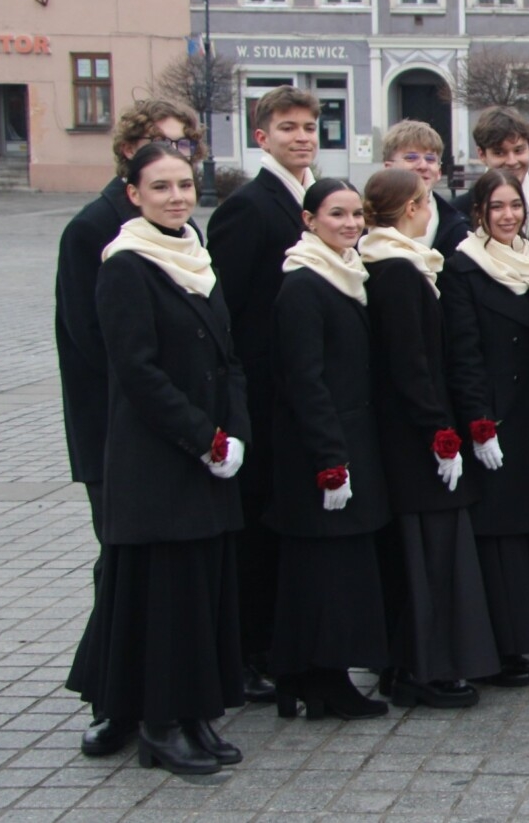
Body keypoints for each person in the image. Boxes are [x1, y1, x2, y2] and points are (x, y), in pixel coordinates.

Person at [67, 143, 247, 775]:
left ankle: (197, 714)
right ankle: (160, 725)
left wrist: (236, 433)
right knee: (166, 598)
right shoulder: (125, 263)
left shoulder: (195, 255)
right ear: (134, 194)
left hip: (208, 456)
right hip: (157, 460)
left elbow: (227, 356)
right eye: (161, 187)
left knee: (203, 590)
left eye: (184, 185)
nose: (176, 196)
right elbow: (137, 372)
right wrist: (203, 437)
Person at [57, 98, 202, 758]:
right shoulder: (96, 232)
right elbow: (97, 342)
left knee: (160, 573)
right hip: (118, 431)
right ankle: (116, 702)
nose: (173, 172)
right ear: (130, 161)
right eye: (157, 148)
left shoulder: (182, 230)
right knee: (121, 569)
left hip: (175, 426)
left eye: (182, 152)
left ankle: (153, 698)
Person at [359, 168, 497, 709]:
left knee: (428, 550)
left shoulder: (403, 262)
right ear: (414, 207)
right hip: (416, 438)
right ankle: (424, 667)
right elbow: (410, 362)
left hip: (416, 429)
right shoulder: (395, 268)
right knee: (427, 555)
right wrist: (439, 431)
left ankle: (413, 664)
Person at [205, 84, 322, 705]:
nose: (301, 137)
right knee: (255, 531)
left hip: (296, 395)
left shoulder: (310, 198)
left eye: (308, 127)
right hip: (263, 396)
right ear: (262, 137)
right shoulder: (249, 207)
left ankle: (277, 643)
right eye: (288, 128)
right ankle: (248, 654)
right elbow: (232, 311)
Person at [266, 178, 393, 720]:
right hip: (322, 450)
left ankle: (309, 677)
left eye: (355, 214)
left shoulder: (345, 274)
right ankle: (322, 679)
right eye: (336, 214)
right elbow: (305, 379)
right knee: (323, 571)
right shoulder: (304, 283)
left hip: (348, 438)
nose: (348, 224)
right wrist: (330, 460)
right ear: (308, 219)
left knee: (335, 568)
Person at [442, 169, 529, 687]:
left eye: (514, 205)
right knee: (497, 533)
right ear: (479, 214)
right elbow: (463, 354)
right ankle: (498, 644)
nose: (508, 215)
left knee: (527, 531)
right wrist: (478, 424)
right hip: (496, 416)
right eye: (497, 207)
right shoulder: (465, 268)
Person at [454, 106, 529, 270]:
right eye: (499, 152)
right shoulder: (458, 213)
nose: (511, 161)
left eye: (518, 150)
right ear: (481, 154)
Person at [381, 120, 468, 255]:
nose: (423, 166)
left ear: (439, 172)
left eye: (430, 159)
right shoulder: (364, 222)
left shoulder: (458, 226)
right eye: (411, 158)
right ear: (388, 168)